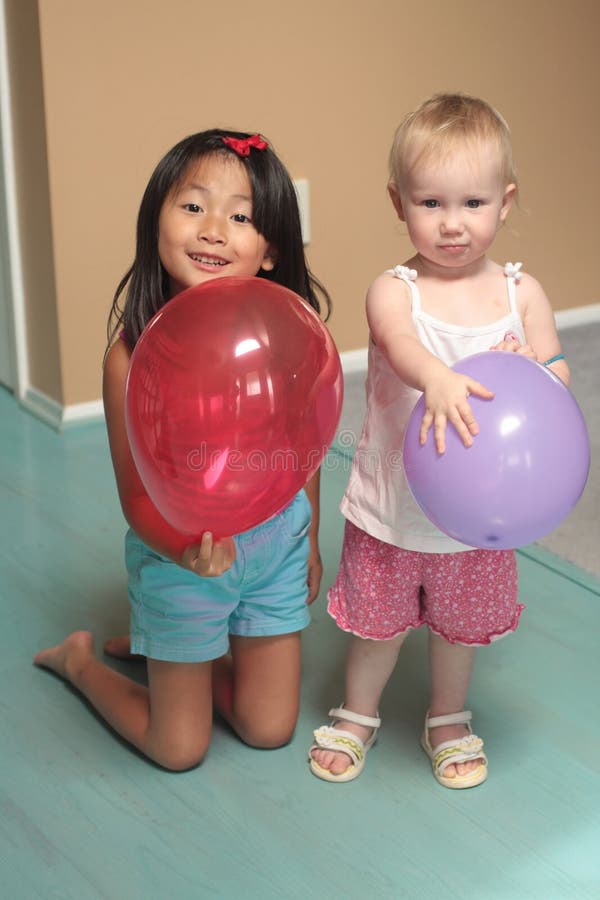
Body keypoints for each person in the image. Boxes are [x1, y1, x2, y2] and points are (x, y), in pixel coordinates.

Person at [34, 129, 332, 770]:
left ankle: (176, 655)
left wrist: (306, 541)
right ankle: (81, 661)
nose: (214, 230)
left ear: (271, 248)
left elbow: (298, 453)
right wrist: (184, 555)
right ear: (156, 220)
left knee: (269, 728)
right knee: (178, 749)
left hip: (274, 547)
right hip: (180, 556)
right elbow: (136, 496)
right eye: (193, 206)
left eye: (241, 215)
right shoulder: (130, 354)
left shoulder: (290, 337)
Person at [309, 93, 569, 788]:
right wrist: (440, 378)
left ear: (505, 202)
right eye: (430, 203)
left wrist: (535, 375)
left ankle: (448, 715)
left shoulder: (524, 294)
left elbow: (556, 372)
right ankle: (360, 710)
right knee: (379, 625)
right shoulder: (395, 290)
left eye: (472, 204)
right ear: (399, 203)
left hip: (481, 516)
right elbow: (399, 348)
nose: (452, 224)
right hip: (394, 508)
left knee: (459, 630)